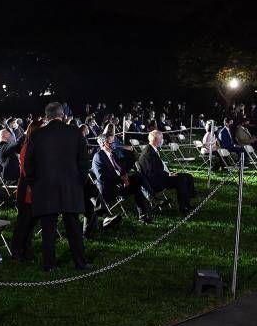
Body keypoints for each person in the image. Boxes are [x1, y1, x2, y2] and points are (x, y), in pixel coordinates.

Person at [23, 102, 92, 271]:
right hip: (71, 187)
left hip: (45, 188)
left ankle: (49, 265)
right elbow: (84, 162)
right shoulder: (75, 133)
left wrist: (34, 183)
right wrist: (80, 181)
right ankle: (80, 262)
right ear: (62, 115)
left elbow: (28, 164)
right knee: (74, 228)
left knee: (48, 230)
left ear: (47, 117)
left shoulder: (37, 135)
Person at [92, 134, 152, 223]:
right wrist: (122, 180)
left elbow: (121, 169)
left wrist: (125, 177)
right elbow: (102, 177)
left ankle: (145, 210)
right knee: (136, 185)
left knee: (138, 179)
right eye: (112, 142)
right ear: (105, 143)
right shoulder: (98, 156)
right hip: (110, 189)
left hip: (121, 184)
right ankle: (150, 200)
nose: (114, 144)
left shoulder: (113, 155)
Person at [138, 130, 196, 215]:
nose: (163, 140)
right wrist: (168, 175)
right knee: (181, 179)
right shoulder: (148, 153)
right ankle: (183, 207)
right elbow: (152, 173)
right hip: (155, 182)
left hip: (160, 176)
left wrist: (168, 173)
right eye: (161, 138)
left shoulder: (152, 149)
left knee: (189, 176)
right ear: (156, 140)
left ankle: (187, 202)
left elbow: (157, 168)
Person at [11, 119, 42, 261]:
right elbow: (26, 171)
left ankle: (27, 250)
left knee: (31, 223)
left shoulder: (35, 146)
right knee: (23, 223)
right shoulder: (27, 146)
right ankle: (17, 251)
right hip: (27, 190)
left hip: (34, 189)